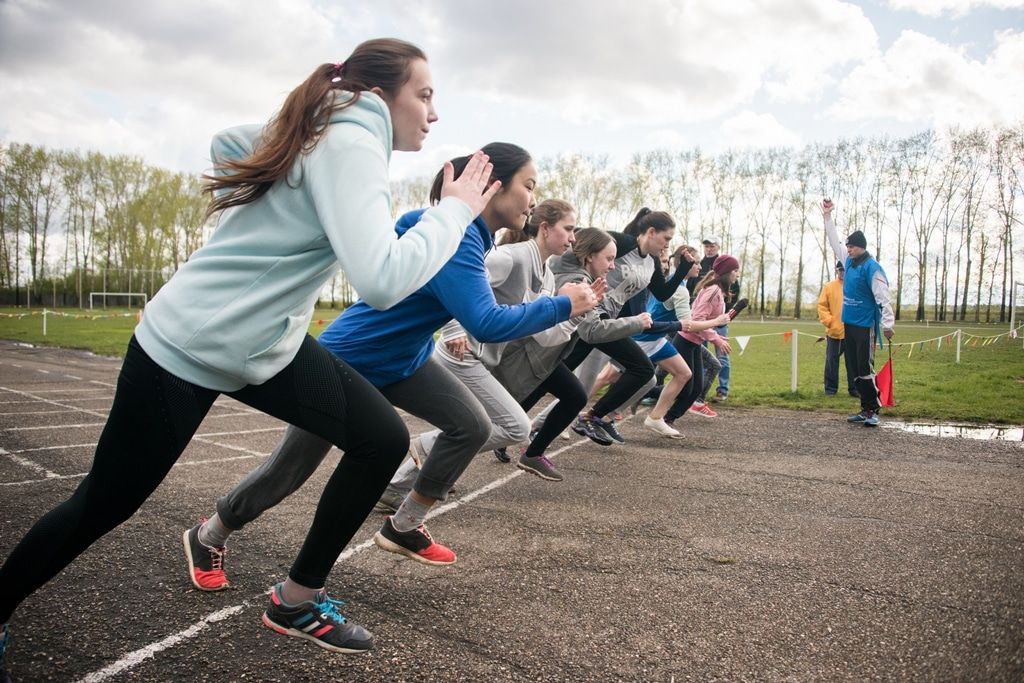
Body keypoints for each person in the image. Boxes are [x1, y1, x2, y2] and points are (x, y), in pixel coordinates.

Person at [0, 38, 507, 667]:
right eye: (424, 95)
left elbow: (227, 142)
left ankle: (295, 599)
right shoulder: (353, 142)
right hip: (188, 345)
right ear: (381, 94)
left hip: (264, 345)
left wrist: (282, 187)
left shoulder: (325, 131)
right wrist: (453, 214)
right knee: (106, 501)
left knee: (378, 438)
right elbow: (380, 279)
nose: (434, 114)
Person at [184, 144, 597, 599]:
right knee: (290, 470)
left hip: (407, 359)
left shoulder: (467, 236)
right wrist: (564, 305)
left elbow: (411, 237)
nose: (532, 200)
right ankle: (208, 536)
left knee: (471, 425)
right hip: (350, 357)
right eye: (529, 186)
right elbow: (487, 323)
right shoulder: (458, 239)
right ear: (492, 185)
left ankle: (404, 525)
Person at [385, 198, 599, 488]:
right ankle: (425, 445)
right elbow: (450, 278)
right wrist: (452, 329)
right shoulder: (510, 257)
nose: (574, 238)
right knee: (515, 427)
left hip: (486, 362)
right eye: (569, 229)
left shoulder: (547, 276)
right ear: (546, 228)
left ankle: (395, 487)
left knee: (476, 427)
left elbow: (546, 336)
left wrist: (574, 314)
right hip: (461, 356)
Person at [491, 228, 657, 460]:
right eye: (609, 259)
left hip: (567, 339)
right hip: (560, 341)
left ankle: (525, 444)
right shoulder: (576, 279)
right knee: (641, 370)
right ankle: (589, 419)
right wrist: (636, 322)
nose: (612, 266)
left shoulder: (644, 263)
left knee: (561, 389)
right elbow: (591, 330)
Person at [533, 208, 690, 445]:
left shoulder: (652, 263)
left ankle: (551, 424)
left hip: (608, 323)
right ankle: (537, 424)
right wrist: (571, 278)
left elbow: (662, 292)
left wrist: (684, 270)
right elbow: (583, 244)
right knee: (561, 376)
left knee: (581, 384)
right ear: (650, 231)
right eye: (666, 238)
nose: (667, 244)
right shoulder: (622, 243)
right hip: (590, 317)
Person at [823, 199, 894, 427]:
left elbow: (883, 297)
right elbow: (834, 241)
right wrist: (827, 217)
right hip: (849, 324)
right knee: (854, 368)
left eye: (851, 247)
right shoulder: (850, 261)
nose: (848, 249)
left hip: (865, 325)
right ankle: (864, 408)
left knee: (865, 368)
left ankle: (873, 409)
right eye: (848, 247)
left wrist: (888, 324)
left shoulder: (873, 268)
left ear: (860, 246)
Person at [663, 255, 739, 427]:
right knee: (687, 387)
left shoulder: (717, 290)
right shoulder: (713, 291)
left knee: (695, 389)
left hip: (694, 343)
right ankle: (658, 410)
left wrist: (717, 336)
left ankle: (668, 419)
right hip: (685, 341)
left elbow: (703, 321)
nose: (737, 275)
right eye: (735, 271)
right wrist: (716, 340)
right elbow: (696, 319)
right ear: (726, 272)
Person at [688, 235, 739, 402]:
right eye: (706, 245)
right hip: (699, 327)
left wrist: (726, 317)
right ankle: (695, 396)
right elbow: (698, 316)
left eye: (712, 245)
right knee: (694, 365)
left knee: (718, 359)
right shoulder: (712, 287)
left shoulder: (725, 264)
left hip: (713, 323)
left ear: (717, 247)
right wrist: (715, 333)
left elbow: (733, 295)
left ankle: (717, 390)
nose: (709, 248)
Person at [817, 261, 857, 397]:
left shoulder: (855, 286)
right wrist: (830, 322)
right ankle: (830, 389)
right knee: (831, 362)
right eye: (840, 270)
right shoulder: (829, 286)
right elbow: (822, 306)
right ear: (837, 271)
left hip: (852, 331)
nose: (842, 273)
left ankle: (854, 389)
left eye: (844, 270)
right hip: (834, 332)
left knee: (853, 363)